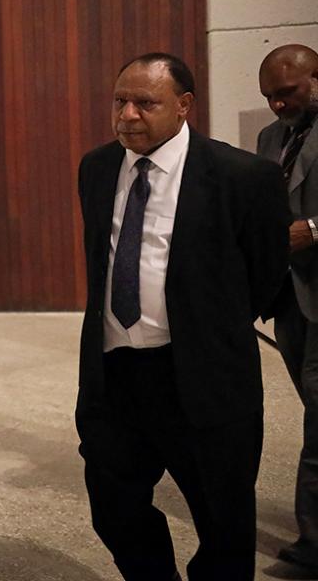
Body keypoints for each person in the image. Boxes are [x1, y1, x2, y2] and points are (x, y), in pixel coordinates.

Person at [76, 53, 290, 580]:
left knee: (224, 524)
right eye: (120, 101)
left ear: (184, 106)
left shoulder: (244, 177)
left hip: (203, 378)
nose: (127, 114)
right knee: (114, 507)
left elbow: (266, 273)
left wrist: (211, 326)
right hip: (116, 373)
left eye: (145, 103)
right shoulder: (97, 168)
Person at [257, 43, 318, 574]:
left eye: (287, 92)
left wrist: (316, 229)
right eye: (269, 97)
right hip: (288, 300)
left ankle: (314, 544)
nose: (277, 105)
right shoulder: (267, 138)